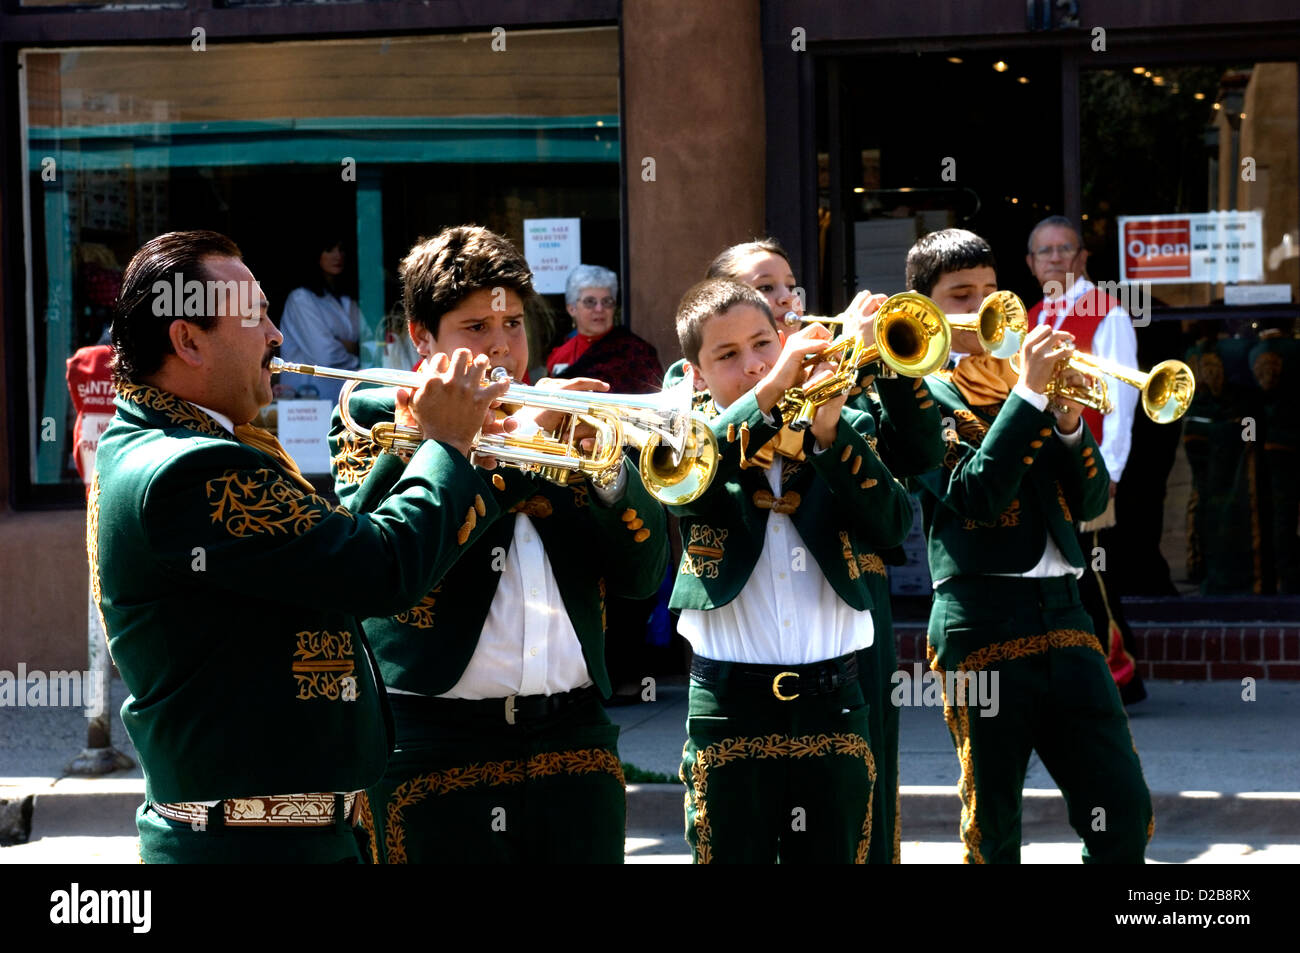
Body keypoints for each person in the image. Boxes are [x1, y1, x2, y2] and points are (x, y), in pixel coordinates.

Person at [91, 230, 508, 863]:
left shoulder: (180, 445)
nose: (276, 334)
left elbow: (336, 553)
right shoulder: (190, 470)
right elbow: (380, 571)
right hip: (251, 847)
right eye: (255, 314)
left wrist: (410, 446)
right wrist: (448, 447)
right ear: (187, 340)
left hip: (278, 836)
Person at [328, 226, 669, 864]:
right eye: (475, 328)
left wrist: (610, 472)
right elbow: (373, 562)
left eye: (512, 323)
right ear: (422, 338)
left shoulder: (566, 418)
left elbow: (641, 576)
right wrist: (478, 445)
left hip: (574, 731)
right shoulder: (381, 415)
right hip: (431, 738)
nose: (502, 349)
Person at [910, 227, 1153, 863]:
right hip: (980, 621)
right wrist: (1032, 395)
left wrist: (1070, 424)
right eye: (962, 295)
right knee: (994, 823)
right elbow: (974, 494)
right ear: (927, 311)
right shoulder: (922, 392)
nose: (987, 308)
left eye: (992, 291)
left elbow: (1093, 504)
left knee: (1122, 808)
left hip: (1065, 613)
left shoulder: (1029, 380)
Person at [700, 236, 944, 863]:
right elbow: (699, 458)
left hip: (849, 605)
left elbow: (916, 462)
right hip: (745, 655)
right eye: (765, 287)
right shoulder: (705, 378)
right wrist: (776, 380)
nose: (785, 301)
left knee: (866, 789)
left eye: (790, 287)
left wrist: (881, 360)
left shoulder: (836, 374)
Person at [1024, 215, 1146, 704]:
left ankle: (1119, 678)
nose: (1055, 258)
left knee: (1091, 575)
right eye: (1044, 252)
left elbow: (1123, 394)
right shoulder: (1031, 316)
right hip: (1040, 469)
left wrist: (1112, 469)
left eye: (1064, 250)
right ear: (1031, 264)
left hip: (1087, 467)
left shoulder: (1107, 311)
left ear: (1082, 257)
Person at [545, 264, 663, 393]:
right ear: (571, 309)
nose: (599, 309)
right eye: (590, 302)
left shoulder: (638, 353)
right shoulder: (559, 356)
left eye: (607, 301)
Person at [278, 233, 365, 406]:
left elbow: (366, 340)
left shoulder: (347, 299)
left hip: (343, 395)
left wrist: (348, 345)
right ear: (316, 255)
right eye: (329, 249)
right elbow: (326, 354)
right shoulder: (301, 298)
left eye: (341, 249)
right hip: (307, 398)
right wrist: (358, 359)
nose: (337, 255)